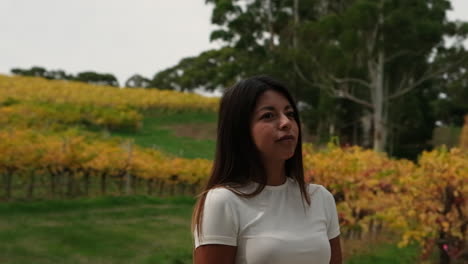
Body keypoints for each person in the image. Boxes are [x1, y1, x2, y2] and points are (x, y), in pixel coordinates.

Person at [192, 76, 342, 264]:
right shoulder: (224, 201)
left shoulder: (320, 198)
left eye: (290, 114)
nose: (286, 122)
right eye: (268, 116)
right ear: (240, 130)